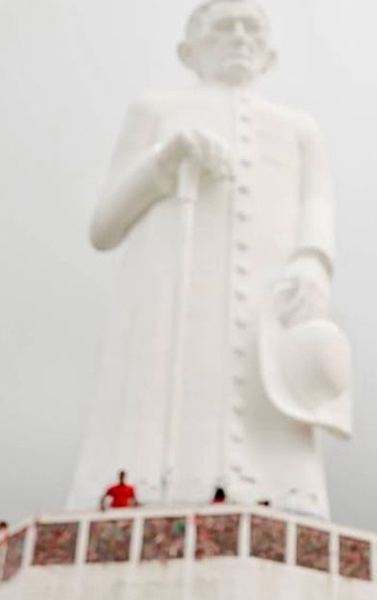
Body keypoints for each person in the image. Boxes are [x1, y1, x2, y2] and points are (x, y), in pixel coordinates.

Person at [67, 0, 351, 519]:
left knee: (271, 402)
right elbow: (103, 226)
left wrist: (313, 259)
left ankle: (284, 504)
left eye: (252, 28)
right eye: (225, 27)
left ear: (270, 51)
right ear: (188, 50)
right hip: (171, 302)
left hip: (270, 300)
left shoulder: (298, 127)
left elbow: (318, 201)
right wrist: (165, 161)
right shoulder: (155, 109)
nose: (240, 37)